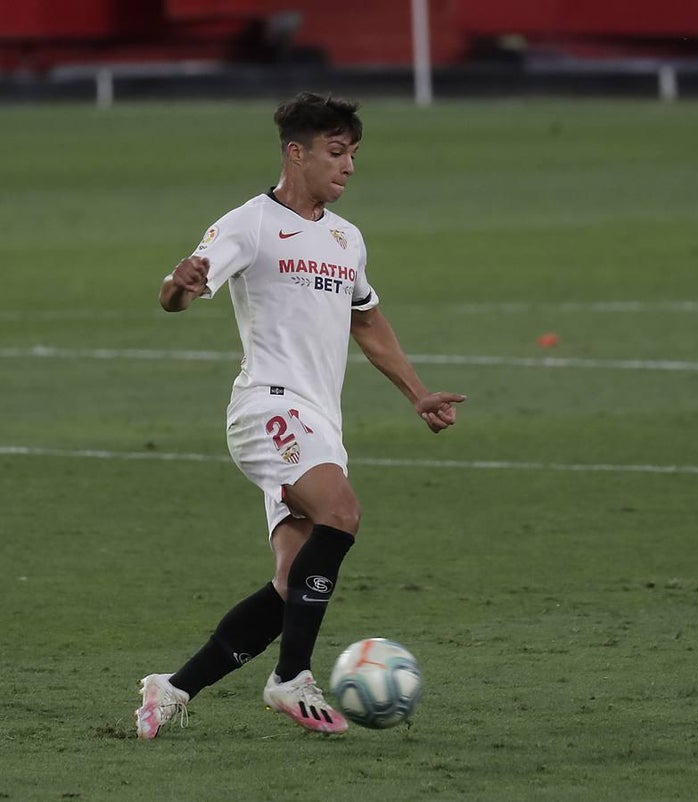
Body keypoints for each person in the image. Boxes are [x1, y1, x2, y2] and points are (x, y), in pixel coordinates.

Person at [136, 92, 466, 739]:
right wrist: (180, 284)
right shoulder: (249, 224)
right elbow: (181, 292)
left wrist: (416, 392)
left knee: (292, 585)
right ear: (297, 152)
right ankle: (292, 678)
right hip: (268, 406)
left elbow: (366, 321)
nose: (348, 168)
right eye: (336, 153)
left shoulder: (346, 239)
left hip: (319, 421)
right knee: (341, 512)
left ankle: (172, 689)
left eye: (353, 156)